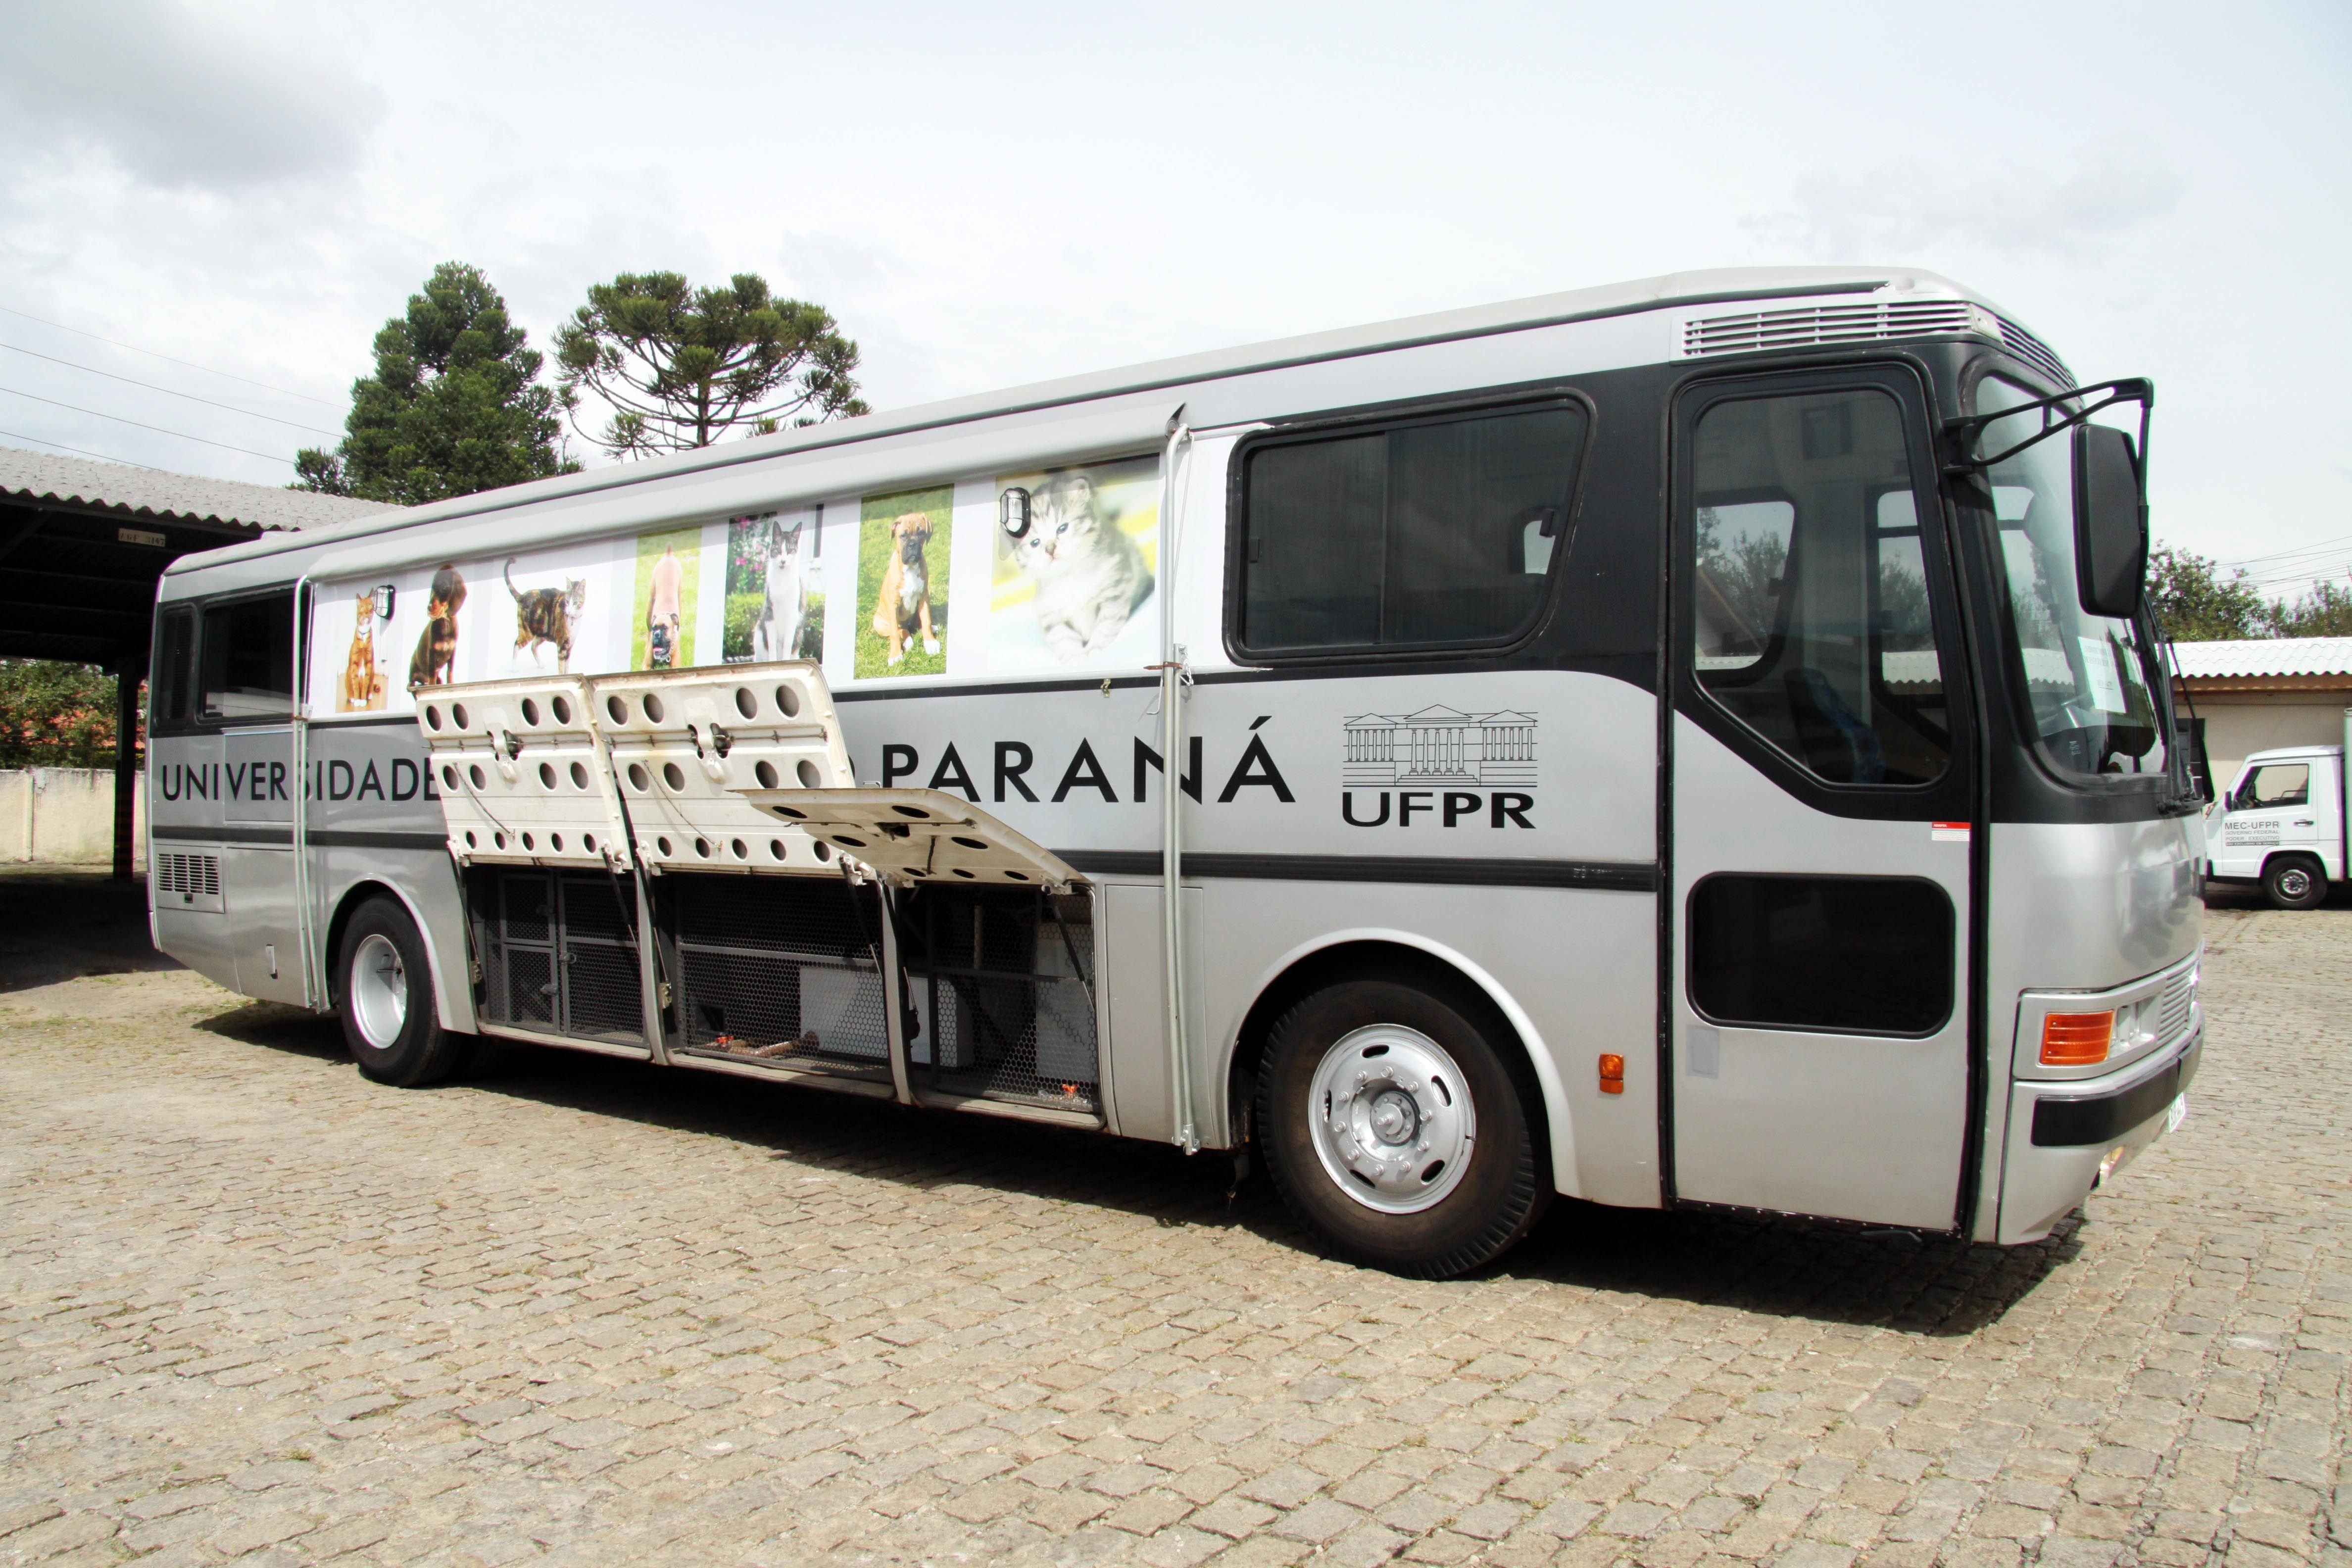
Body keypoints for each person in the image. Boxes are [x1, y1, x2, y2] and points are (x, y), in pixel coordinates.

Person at [646, 544, 685, 668]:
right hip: (660, 568)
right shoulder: (655, 625)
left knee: (678, 598)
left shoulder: (674, 636)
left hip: (673, 568)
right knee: (652, 599)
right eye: (655, 630)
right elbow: (645, 667)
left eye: (664, 629)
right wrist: (650, 628)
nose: (658, 634)